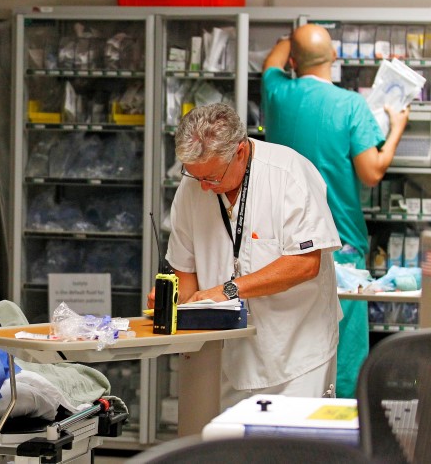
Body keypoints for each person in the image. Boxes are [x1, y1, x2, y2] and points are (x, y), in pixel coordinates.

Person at [148, 103, 342, 407]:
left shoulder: (288, 173)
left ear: (240, 152)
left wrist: (228, 290)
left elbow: (305, 264)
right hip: (229, 352)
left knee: (293, 450)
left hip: (296, 350)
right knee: (235, 448)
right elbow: (185, 269)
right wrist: (173, 304)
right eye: (195, 176)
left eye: (211, 177)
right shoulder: (193, 187)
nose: (205, 187)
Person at [261, 24, 410, 398]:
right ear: (336, 59)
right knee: (343, 352)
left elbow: (271, 62)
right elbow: (372, 172)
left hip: (284, 249)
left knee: (293, 345)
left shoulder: (277, 92)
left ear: (293, 61)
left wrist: (291, 39)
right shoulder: (351, 105)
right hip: (339, 246)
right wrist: (396, 129)